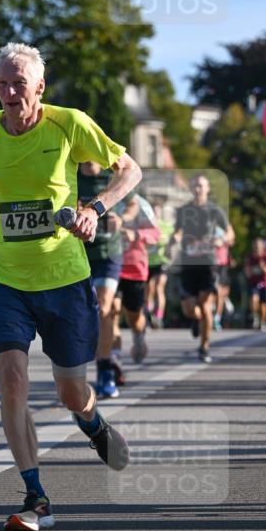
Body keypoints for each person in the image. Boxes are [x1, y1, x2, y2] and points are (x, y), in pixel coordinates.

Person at [0, 42, 142, 531]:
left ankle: (93, 424)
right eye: (2, 83)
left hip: (64, 279)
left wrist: (94, 209)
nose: (9, 92)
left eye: (19, 83)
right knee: (12, 377)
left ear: (39, 87)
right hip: (5, 279)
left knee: (70, 391)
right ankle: (36, 495)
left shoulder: (69, 123)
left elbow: (130, 169)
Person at [166, 174, 234, 364]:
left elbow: (230, 232)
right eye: (195, 186)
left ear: (207, 189)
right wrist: (175, 239)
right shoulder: (184, 210)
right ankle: (196, 321)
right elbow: (178, 230)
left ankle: (204, 346)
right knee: (189, 309)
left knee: (205, 306)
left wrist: (222, 239)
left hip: (209, 263)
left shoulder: (215, 211)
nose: (198, 189)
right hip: (188, 263)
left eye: (201, 186)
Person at [78, 162, 124, 398]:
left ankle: (104, 371)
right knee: (86, 314)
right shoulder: (70, 175)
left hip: (108, 253)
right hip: (80, 254)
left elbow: (133, 204)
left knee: (104, 308)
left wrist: (121, 217)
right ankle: (77, 374)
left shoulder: (112, 177)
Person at [112, 193, 160, 366]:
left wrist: (136, 234)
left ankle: (139, 335)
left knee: (134, 318)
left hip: (134, 268)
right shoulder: (100, 197)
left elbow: (155, 234)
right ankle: (114, 357)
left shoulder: (141, 204)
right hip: (109, 264)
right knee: (110, 310)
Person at [146, 202, 174, 328]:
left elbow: (177, 235)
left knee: (159, 287)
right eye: (153, 211)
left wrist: (172, 243)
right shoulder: (145, 226)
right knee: (149, 290)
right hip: (147, 262)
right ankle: (149, 312)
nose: (156, 214)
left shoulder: (166, 226)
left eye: (157, 211)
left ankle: (158, 316)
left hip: (162, 261)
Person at [245, 237, 266, 332]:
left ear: (262, 247)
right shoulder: (250, 257)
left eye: (259, 246)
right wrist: (250, 271)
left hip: (264, 284)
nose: (257, 248)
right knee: (254, 299)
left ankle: (263, 321)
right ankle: (255, 317)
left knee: (263, 305)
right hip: (254, 283)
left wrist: (263, 267)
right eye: (255, 246)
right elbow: (248, 272)